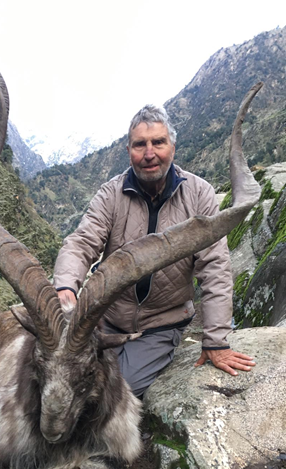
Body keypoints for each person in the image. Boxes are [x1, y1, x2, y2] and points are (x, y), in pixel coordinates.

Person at [53, 104, 255, 398]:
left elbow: (215, 269)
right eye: (140, 145)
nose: (149, 154)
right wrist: (66, 288)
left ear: (172, 146)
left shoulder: (199, 194)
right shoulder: (111, 194)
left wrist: (215, 342)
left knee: (117, 391)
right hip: (106, 318)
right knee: (59, 375)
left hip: (159, 325)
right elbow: (82, 242)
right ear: (128, 151)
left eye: (158, 142)